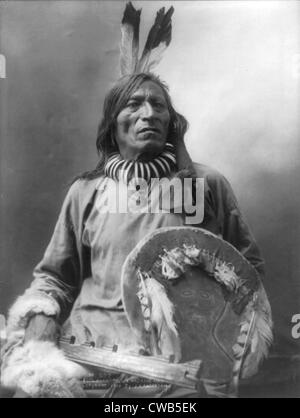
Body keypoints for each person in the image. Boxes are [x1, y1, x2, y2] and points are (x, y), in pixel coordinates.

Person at [0, 71, 267, 398]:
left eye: (158, 105)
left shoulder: (206, 185)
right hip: (89, 358)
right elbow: (55, 277)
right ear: (113, 124)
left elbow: (248, 271)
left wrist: (215, 334)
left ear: (172, 122)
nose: (149, 113)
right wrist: (39, 328)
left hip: (177, 369)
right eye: (134, 104)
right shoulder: (86, 192)